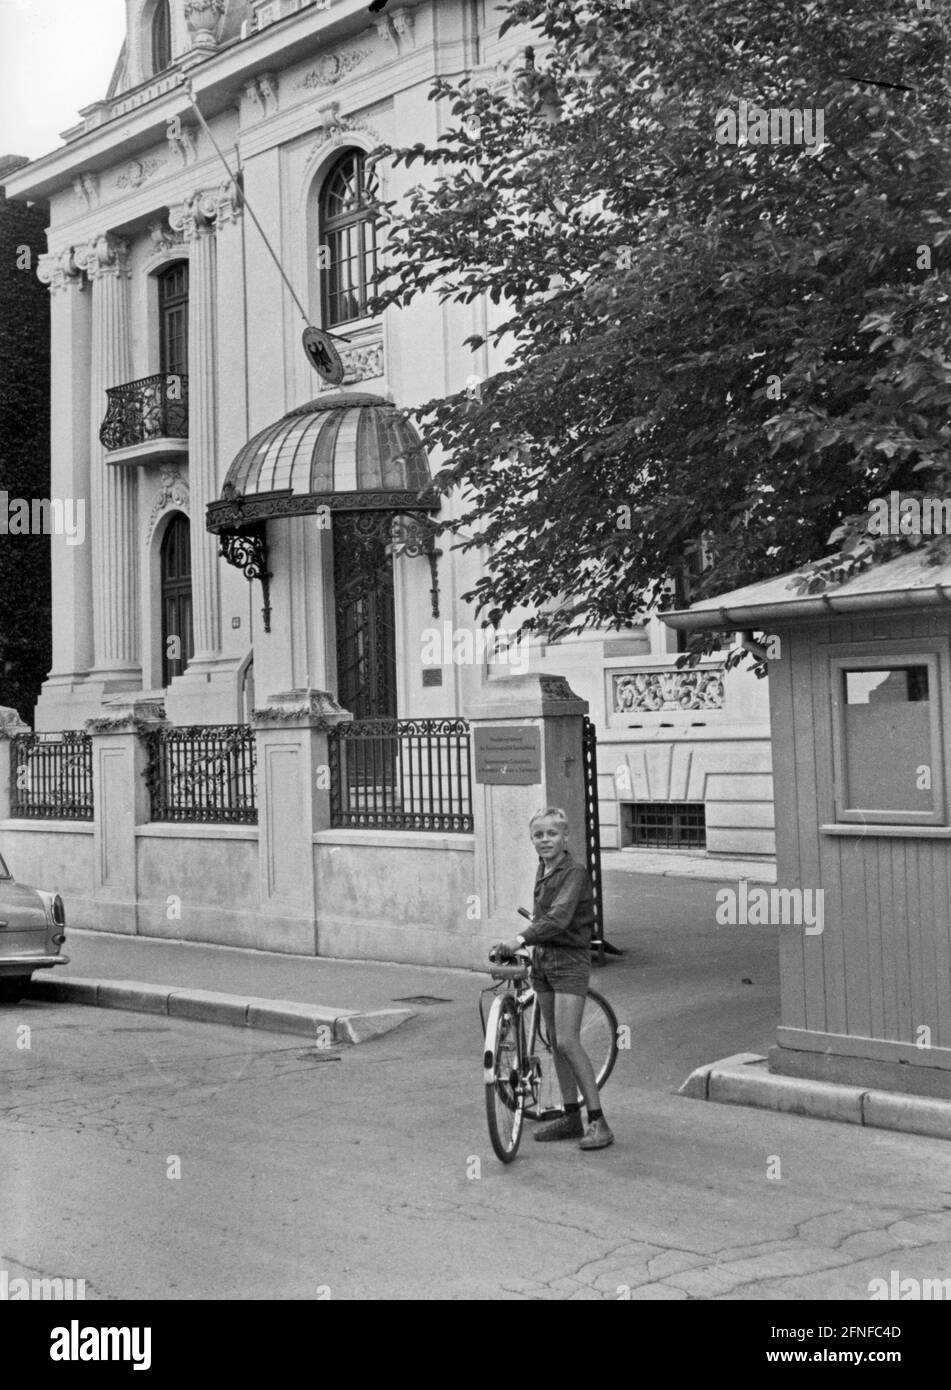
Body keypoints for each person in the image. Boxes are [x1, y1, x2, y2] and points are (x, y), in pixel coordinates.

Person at [492, 807, 614, 1151]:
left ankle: (599, 1121)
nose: (545, 841)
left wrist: (519, 939)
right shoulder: (543, 869)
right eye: (539, 835)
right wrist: (529, 942)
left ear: (566, 838)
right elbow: (543, 917)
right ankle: (571, 1116)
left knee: (568, 1042)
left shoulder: (574, 873)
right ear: (532, 839)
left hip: (569, 962)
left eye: (552, 834)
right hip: (544, 961)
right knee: (553, 1039)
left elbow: (559, 918)